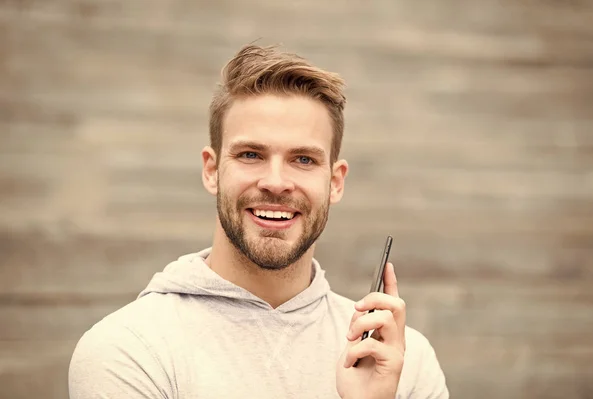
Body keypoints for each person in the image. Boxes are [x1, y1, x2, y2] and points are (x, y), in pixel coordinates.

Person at [68, 44, 449, 399]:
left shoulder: (403, 361)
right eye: (251, 154)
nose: (276, 183)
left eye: (303, 159)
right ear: (212, 170)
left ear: (335, 182)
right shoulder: (129, 349)